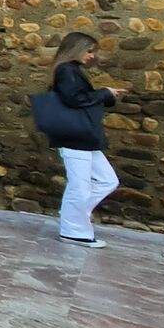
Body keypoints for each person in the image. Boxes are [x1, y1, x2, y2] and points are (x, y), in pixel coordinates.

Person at [50, 32, 128, 248]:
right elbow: (74, 99)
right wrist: (104, 92)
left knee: (107, 181)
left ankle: (71, 215)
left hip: (84, 137)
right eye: (89, 50)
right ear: (76, 49)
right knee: (80, 187)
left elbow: (81, 99)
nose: (92, 56)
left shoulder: (71, 70)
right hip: (75, 137)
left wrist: (108, 95)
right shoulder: (66, 70)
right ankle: (73, 230)